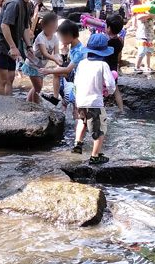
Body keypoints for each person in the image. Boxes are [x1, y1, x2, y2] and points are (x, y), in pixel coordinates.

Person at [0, 0, 44, 95]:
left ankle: (8, 105)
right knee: (3, 79)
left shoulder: (28, 4)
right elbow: (4, 25)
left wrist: (29, 46)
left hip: (10, 46)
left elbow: (24, 27)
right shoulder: (14, 3)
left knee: (11, 77)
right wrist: (13, 47)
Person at [72, 33, 115, 164]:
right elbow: (111, 84)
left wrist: (76, 97)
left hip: (80, 100)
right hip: (94, 102)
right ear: (104, 52)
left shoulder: (82, 63)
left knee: (82, 121)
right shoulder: (103, 65)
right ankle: (95, 156)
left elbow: (76, 81)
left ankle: (78, 145)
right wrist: (109, 92)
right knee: (100, 128)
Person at [21, 12, 63, 104]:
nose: (53, 28)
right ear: (44, 26)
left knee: (36, 87)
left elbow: (56, 53)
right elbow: (45, 53)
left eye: (55, 26)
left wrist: (59, 60)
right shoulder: (41, 37)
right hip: (32, 64)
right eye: (51, 27)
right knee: (38, 87)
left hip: (41, 66)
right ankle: (37, 106)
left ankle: (28, 103)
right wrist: (55, 59)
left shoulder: (55, 38)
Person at [103, 14, 125, 113]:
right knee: (116, 90)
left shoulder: (106, 41)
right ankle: (121, 110)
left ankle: (100, 109)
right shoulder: (120, 41)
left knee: (100, 89)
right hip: (113, 69)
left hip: (104, 69)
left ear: (109, 28)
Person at [134, 10, 155, 76]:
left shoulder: (153, 15)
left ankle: (147, 67)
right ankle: (136, 67)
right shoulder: (140, 14)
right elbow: (139, 18)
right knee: (142, 51)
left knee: (148, 52)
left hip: (150, 37)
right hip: (142, 36)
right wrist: (149, 15)